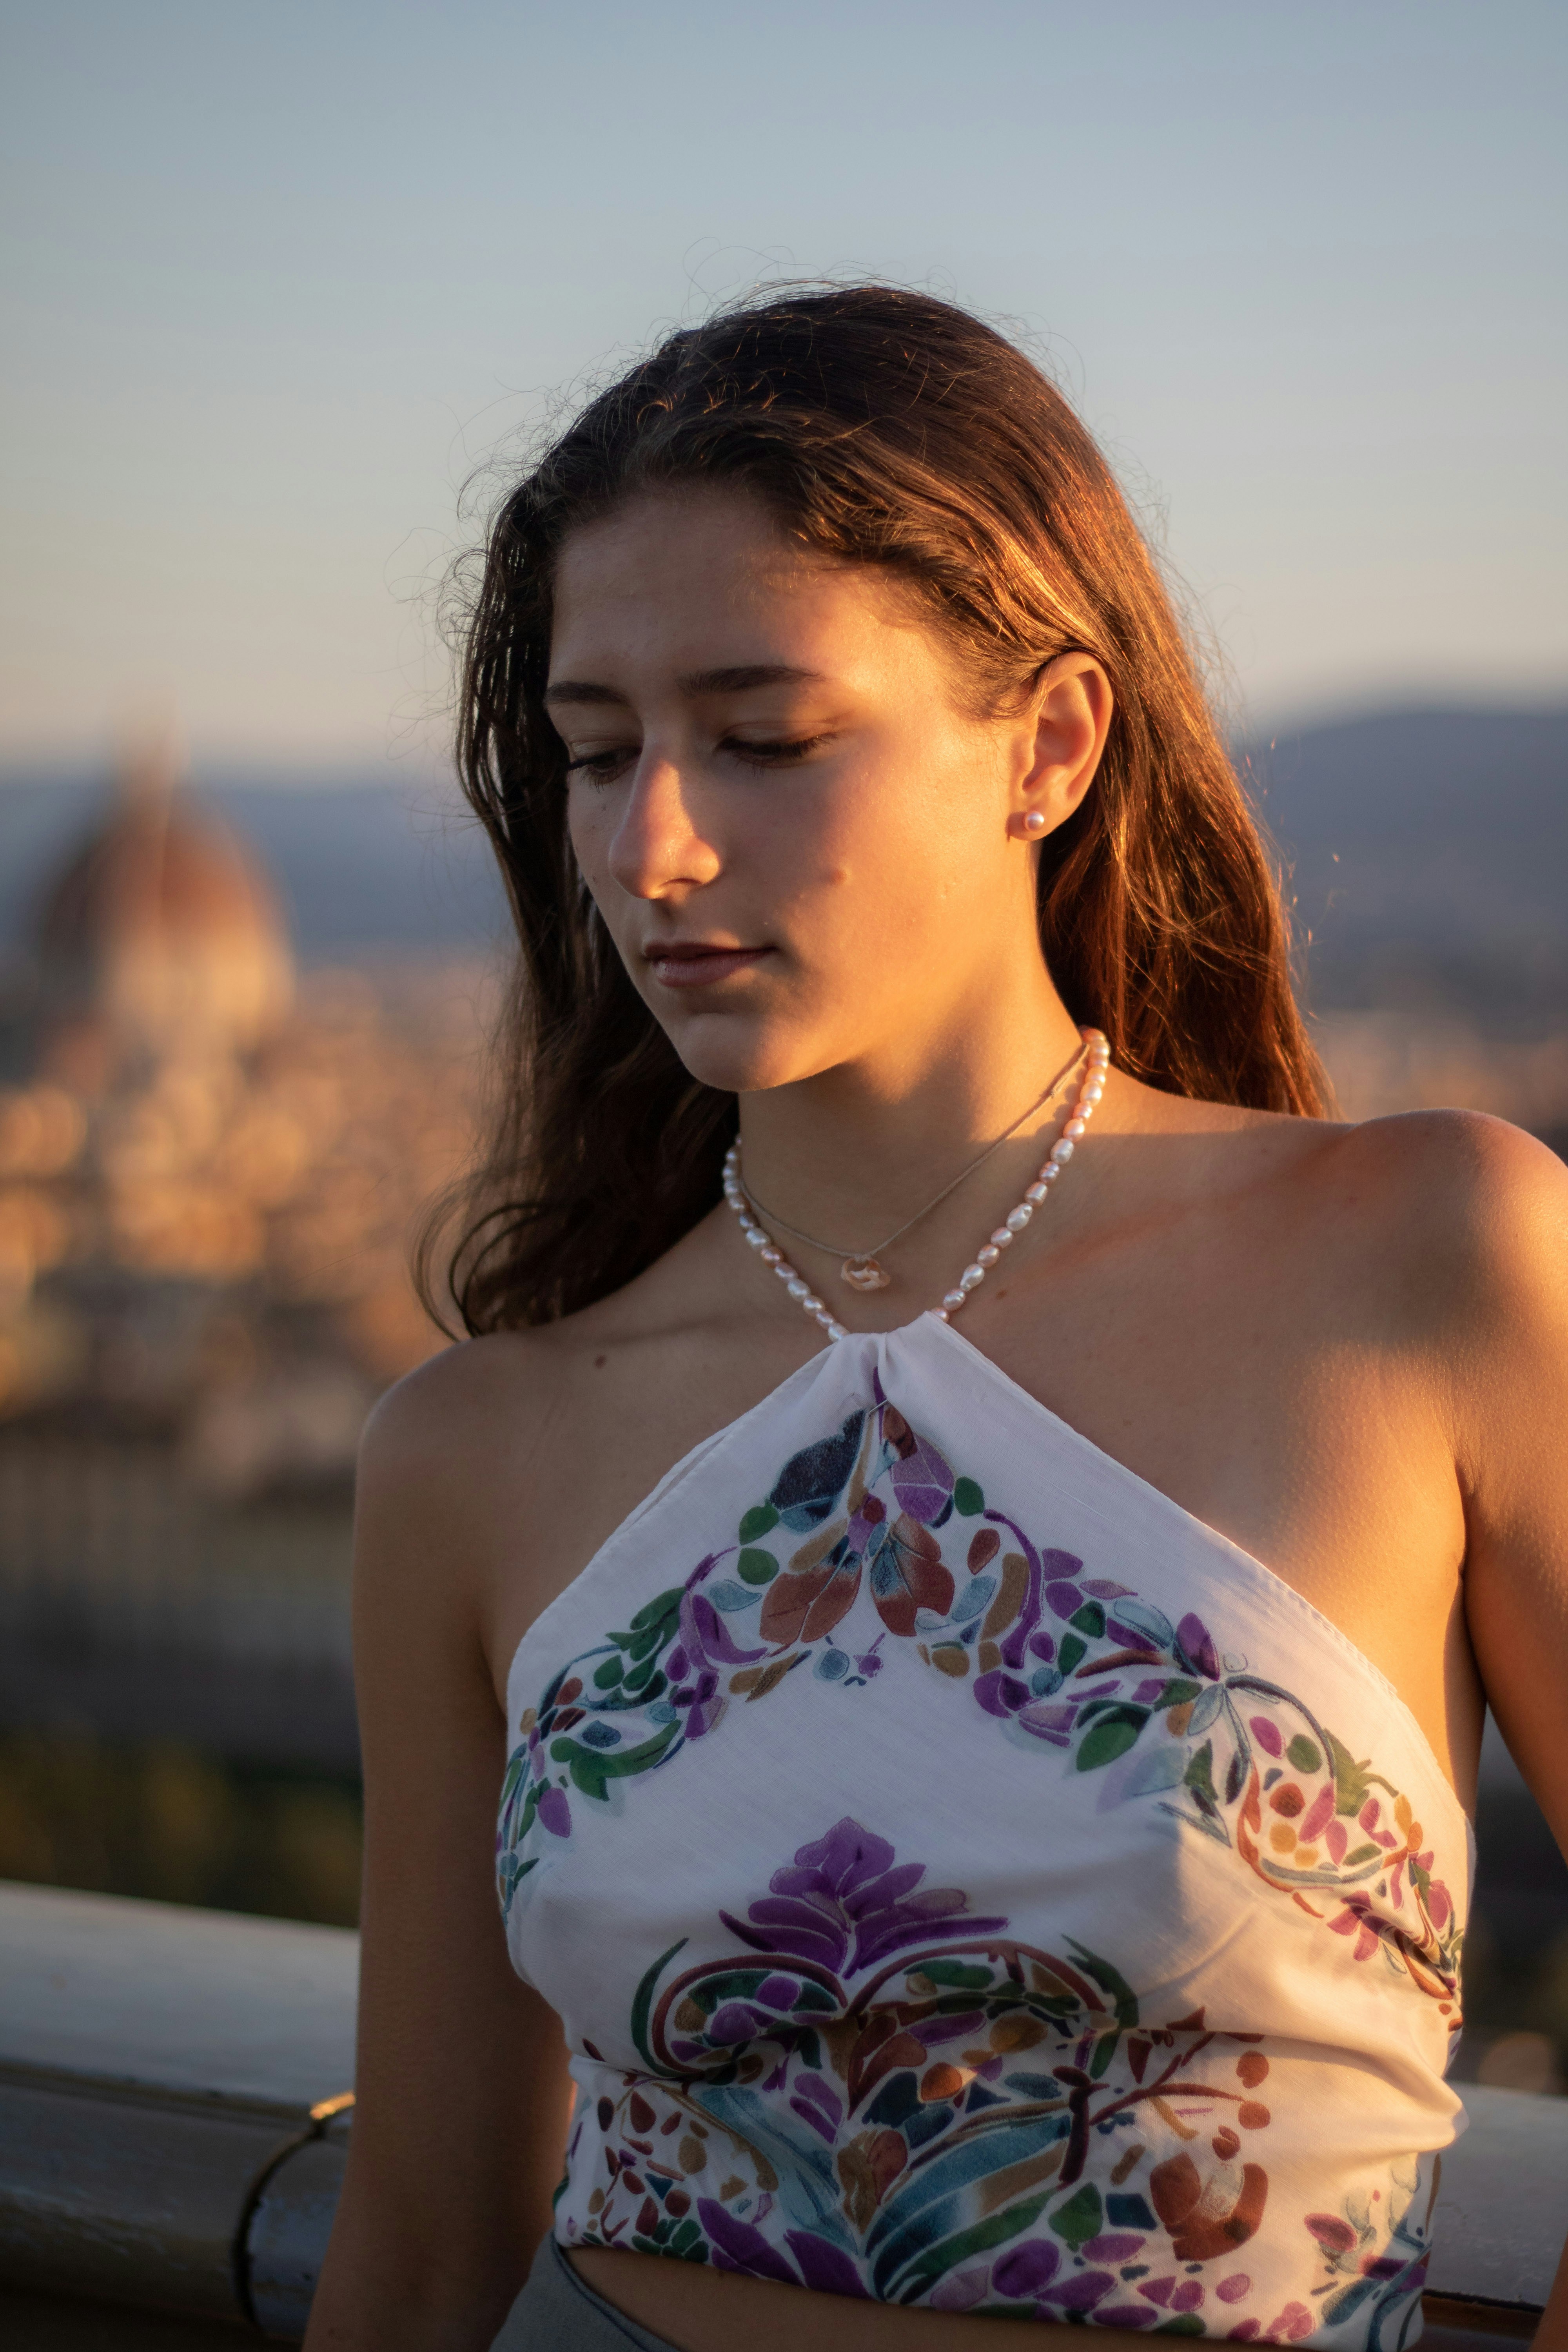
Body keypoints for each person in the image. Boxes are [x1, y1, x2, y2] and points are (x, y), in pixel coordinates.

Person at [303, 287, 1568, 2352]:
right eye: (596, 752)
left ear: (1053, 741)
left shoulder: (1435, 1261)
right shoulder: (472, 1449)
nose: (653, 848)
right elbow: (432, 2236)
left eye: (765, 736)